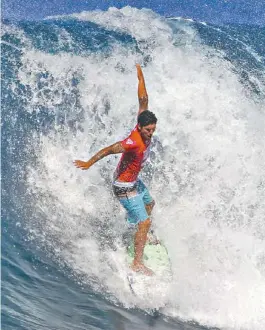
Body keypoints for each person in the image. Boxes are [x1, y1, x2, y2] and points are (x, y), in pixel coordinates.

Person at [74, 64, 157, 276]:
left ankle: (140, 231)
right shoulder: (133, 142)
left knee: (150, 203)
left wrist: (140, 76)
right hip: (123, 187)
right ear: (139, 128)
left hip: (133, 181)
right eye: (148, 130)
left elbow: (143, 99)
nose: (150, 133)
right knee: (145, 221)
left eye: (153, 130)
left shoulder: (144, 120)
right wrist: (89, 163)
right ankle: (137, 262)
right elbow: (110, 149)